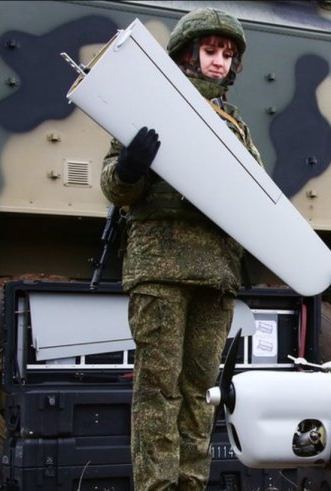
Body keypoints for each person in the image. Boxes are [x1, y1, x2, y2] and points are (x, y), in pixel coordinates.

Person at [100, 8, 263, 490]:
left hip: (216, 273)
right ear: (187, 55)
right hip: (161, 270)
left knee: (198, 394)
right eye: (210, 51)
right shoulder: (150, 110)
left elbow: (257, 196)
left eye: (226, 55)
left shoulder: (235, 125)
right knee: (157, 391)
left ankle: (191, 485)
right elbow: (115, 186)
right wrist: (130, 166)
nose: (218, 62)